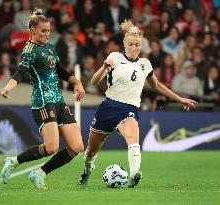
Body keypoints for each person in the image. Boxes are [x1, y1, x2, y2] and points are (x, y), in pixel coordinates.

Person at [78, 20, 198, 188]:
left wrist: (180, 98)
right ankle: (87, 170)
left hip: (129, 110)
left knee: (133, 140)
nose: (134, 48)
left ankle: (134, 173)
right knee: (91, 150)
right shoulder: (114, 57)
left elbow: (156, 86)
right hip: (108, 108)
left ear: (141, 46)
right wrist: (104, 66)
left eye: (137, 45)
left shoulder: (145, 64)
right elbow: (95, 80)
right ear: (124, 44)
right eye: (131, 44)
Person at [0, 8, 85, 190]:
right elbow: (20, 72)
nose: (47, 34)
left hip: (59, 101)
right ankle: (14, 161)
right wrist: (9, 86)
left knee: (77, 146)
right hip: (43, 102)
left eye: (49, 31)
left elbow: (61, 70)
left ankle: (40, 173)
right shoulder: (29, 50)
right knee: (51, 147)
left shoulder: (50, 48)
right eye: (43, 31)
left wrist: (77, 83)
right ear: (32, 30)